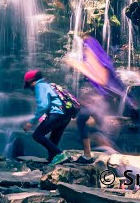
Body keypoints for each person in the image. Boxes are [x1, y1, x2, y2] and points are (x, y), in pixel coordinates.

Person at [65, 35, 129, 164]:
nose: (82, 49)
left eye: (85, 46)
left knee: (90, 124)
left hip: (104, 101)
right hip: (101, 101)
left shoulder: (97, 60)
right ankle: (98, 153)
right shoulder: (94, 59)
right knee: (88, 122)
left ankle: (102, 155)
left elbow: (102, 81)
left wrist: (79, 66)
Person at [22, 69, 75, 164]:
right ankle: (53, 160)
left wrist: (31, 122)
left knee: (37, 135)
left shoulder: (39, 86)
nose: (29, 87)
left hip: (57, 113)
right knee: (54, 138)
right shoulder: (48, 85)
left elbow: (43, 105)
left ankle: (60, 155)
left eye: (28, 84)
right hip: (65, 115)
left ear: (30, 81)